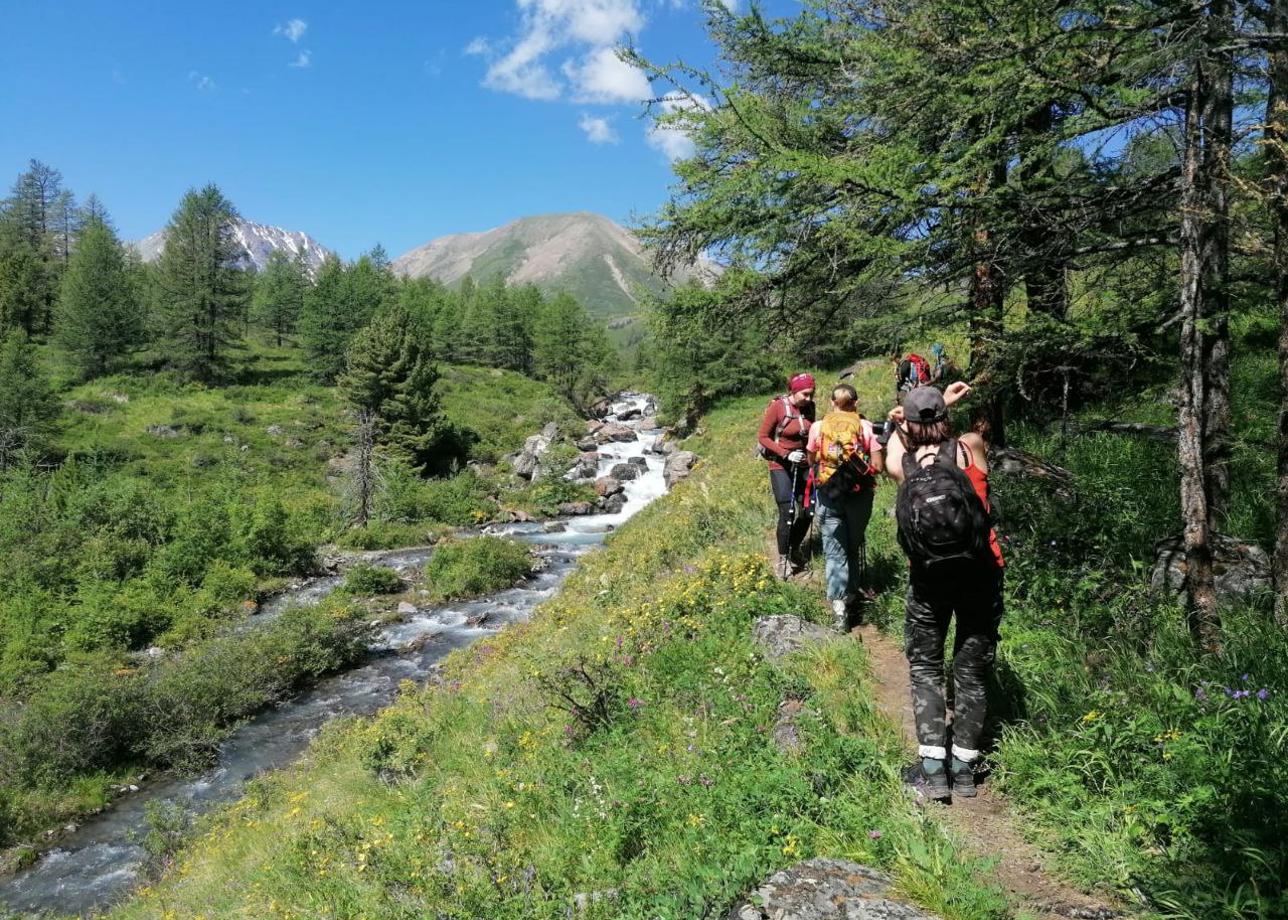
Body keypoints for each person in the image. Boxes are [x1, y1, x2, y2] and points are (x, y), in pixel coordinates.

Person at [884, 382, 1004, 801]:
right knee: (971, 672)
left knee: (926, 669)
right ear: (946, 417)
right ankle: (966, 769)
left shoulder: (905, 463)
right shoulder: (971, 447)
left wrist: (907, 420)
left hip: (929, 580)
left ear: (912, 424)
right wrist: (945, 408)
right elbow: (965, 443)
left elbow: (892, 447)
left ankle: (933, 770)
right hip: (981, 573)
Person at [807, 384, 884, 630]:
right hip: (859, 495)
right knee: (852, 544)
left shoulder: (818, 427)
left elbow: (811, 459)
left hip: (829, 493)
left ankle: (839, 609)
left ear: (832, 402)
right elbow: (878, 466)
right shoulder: (866, 427)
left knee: (833, 550)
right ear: (856, 403)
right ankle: (852, 594)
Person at [758, 373, 816, 578]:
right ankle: (782, 559)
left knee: (809, 510)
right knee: (788, 511)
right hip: (780, 463)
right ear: (794, 391)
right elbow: (763, 437)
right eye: (805, 394)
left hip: (803, 465)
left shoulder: (810, 407)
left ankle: (794, 548)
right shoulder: (778, 407)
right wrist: (786, 453)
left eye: (811, 394)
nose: (809, 398)